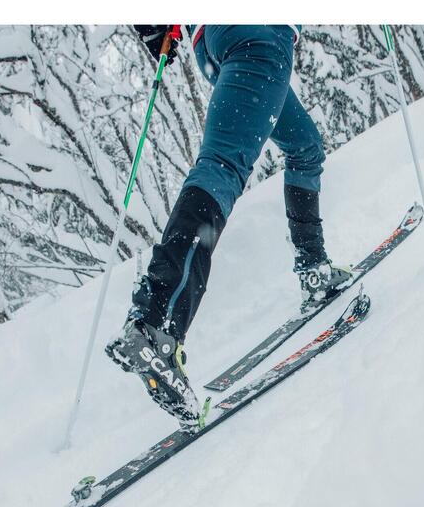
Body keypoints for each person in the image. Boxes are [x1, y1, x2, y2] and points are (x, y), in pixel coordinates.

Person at [106, 25, 350, 427]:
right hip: (260, 36)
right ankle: (156, 326)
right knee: (221, 166)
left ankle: (313, 267)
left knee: (305, 148)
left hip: (217, 40)